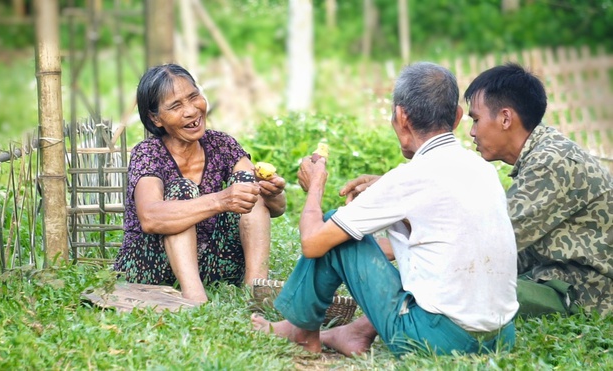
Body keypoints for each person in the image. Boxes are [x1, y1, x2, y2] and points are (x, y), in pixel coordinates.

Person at [251, 62, 519, 356]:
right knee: (374, 241)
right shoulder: (481, 170)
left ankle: (301, 330)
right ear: (456, 117)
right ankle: (349, 333)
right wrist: (382, 189)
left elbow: (313, 242)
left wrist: (315, 186)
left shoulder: (409, 178)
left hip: (440, 342)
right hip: (500, 338)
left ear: (401, 117)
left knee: (333, 228)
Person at [114, 64, 286, 303]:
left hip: (215, 264)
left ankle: (255, 291)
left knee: (247, 185)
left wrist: (272, 193)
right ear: (156, 118)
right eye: (176, 106)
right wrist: (220, 200)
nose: (191, 111)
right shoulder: (148, 153)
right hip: (153, 266)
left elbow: (273, 208)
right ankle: (195, 297)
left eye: (194, 97)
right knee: (182, 190)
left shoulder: (222, 144)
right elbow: (151, 217)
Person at [464, 63, 613, 317]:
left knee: (468, 291)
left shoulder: (550, 162)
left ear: (505, 118)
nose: (472, 132)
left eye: (476, 120)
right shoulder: (542, 154)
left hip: (586, 295)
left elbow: (492, 239)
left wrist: (411, 241)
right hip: (559, 279)